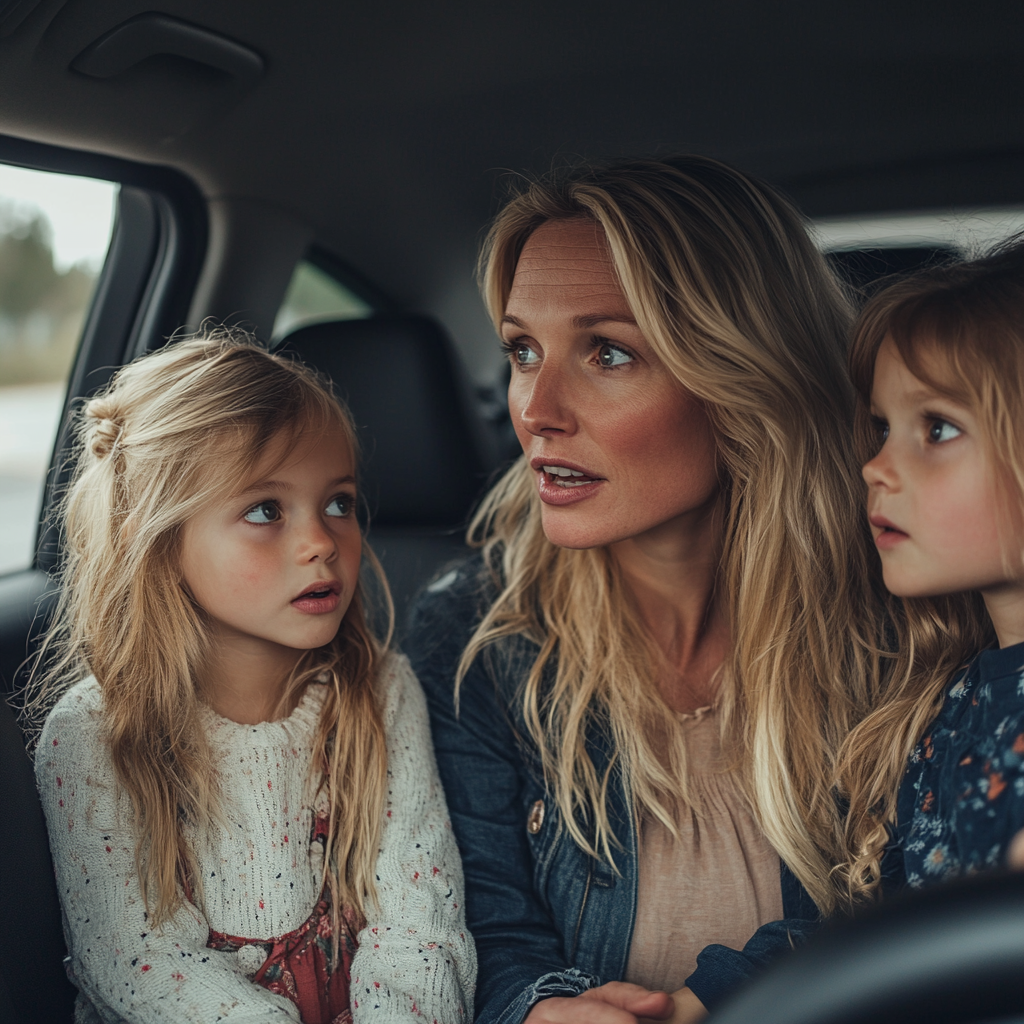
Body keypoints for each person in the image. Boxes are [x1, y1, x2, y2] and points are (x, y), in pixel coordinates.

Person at [405, 157, 891, 1024]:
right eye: (522, 350)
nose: (536, 408)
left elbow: (911, 896)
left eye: (609, 352)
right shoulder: (476, 632)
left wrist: (721, 1000)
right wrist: (533, 1009)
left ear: (743, 377)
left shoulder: (894, 613)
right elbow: (477, 922)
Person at [31, 330, 475, 1024]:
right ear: (159, 538)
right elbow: (139, 962)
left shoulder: (379, 693)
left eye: (340, 502)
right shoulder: (98, 736)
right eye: (266, 510)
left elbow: (419, 922)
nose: (322, 542)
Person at [837, 239, 1024, 902]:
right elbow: (884, 925)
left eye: (937, 429)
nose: (875, 467)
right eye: (883, 427)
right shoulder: (956, 704)